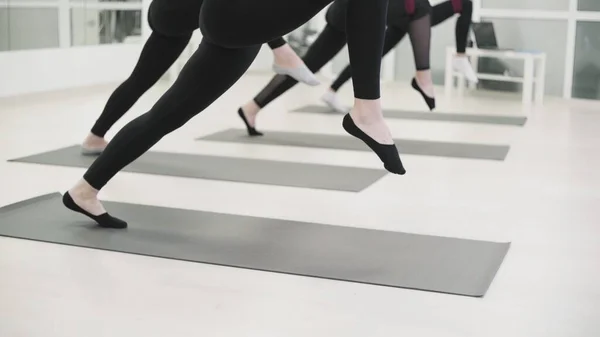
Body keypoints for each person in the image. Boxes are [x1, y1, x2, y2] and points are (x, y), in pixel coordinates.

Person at [63, 0, 407, 229]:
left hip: (242, 26)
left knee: (164, 116)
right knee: (156, 104)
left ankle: (84, 190)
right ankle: (366, 109)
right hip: (229, 16)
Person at [81, 0, 319, 155]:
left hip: (175, 14)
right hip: (173, 14)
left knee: (140, 80)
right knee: (141, 82)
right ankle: (283, 52)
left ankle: (96, 135)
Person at [237, 0, 433, 137]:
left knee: (306, 66)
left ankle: (251, 108)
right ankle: (423, 78)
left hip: (349, 11)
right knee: (420, 7)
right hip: (348, 9)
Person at [323, 0, 477, 113]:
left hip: (411, 14)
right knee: (427, 7)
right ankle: (428, 74)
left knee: (372, 58)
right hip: (408, 10)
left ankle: (332, 90)